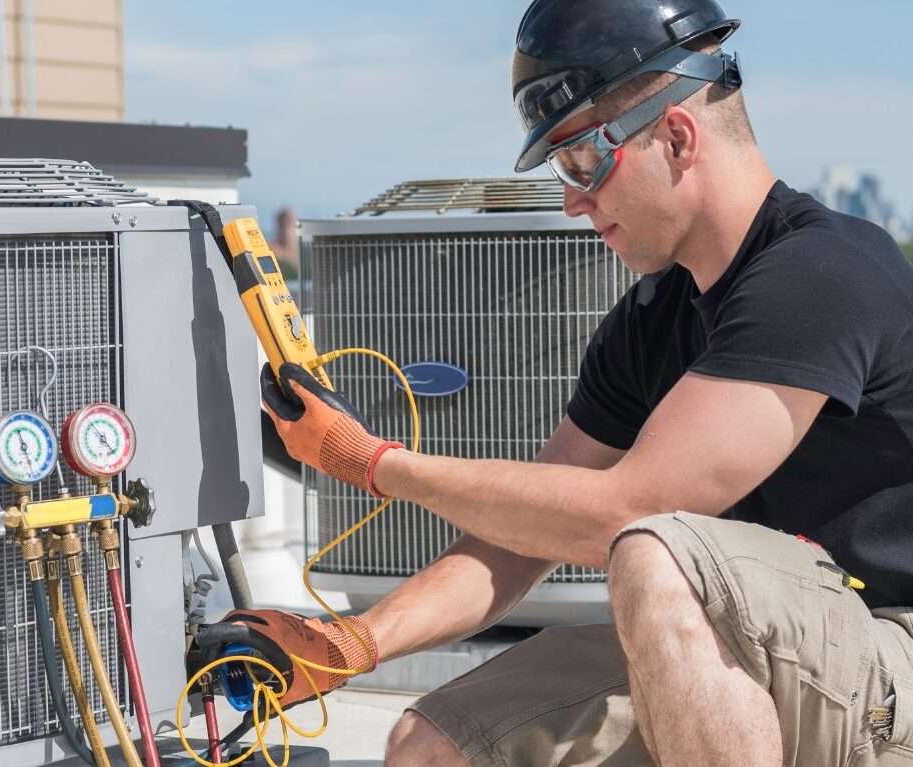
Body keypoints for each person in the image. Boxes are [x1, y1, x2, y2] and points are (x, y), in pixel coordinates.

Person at [209, 1, 913, 764]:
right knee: (434, 743)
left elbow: (628, 510)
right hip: (746, 644)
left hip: (886, 651)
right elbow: (518, 542)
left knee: (652, 553)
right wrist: (351, 640)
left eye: (582, 163)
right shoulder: (651, 319)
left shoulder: (822, 272)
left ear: (676, 136)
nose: (575, 201)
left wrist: (374, 463)